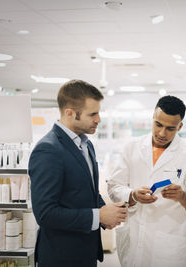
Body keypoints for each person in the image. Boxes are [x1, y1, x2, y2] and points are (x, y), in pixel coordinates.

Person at [28, 79, 127, 267]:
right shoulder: (48, 150)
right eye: (93, 114)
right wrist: (98, 216)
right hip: (61, 256)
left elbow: (87, 192)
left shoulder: (86, 144)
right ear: (70, 113)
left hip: (86, 252)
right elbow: (46, 214)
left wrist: (109, 213)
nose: (99, 119)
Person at [107, 95, 186, 267]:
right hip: (134, 237)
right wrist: (132, 195)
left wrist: (183, 197)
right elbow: (113, 187)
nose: (162, 133)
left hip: (169, 244)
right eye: (158, 125)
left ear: (180, 126)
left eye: (170, 128)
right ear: (152, 118)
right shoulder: (132, 147)